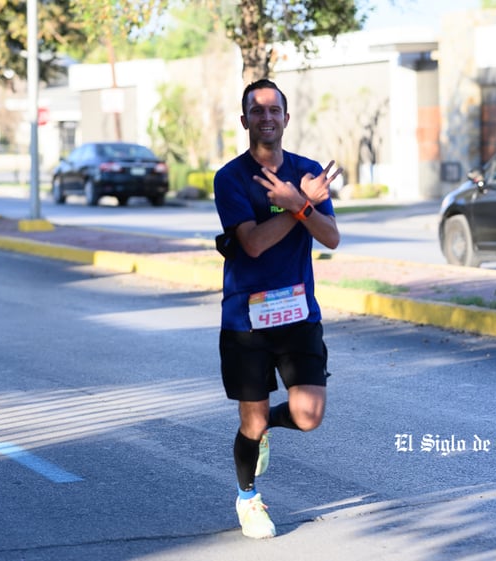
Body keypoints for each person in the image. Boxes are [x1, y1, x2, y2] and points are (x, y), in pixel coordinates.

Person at [213, 78, 341, 539]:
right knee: (253, 418)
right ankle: (249, 498)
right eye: (257, 109)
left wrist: (302, 203)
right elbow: (251, 243)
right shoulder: (230, 178)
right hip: (246, 320)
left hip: (298, 315)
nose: (266, 117)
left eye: (274, 109)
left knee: (308, 415)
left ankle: (266, 429)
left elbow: (331, 237)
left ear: (286, 118)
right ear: (244, 119)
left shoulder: (307, 170)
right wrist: (299, 203)